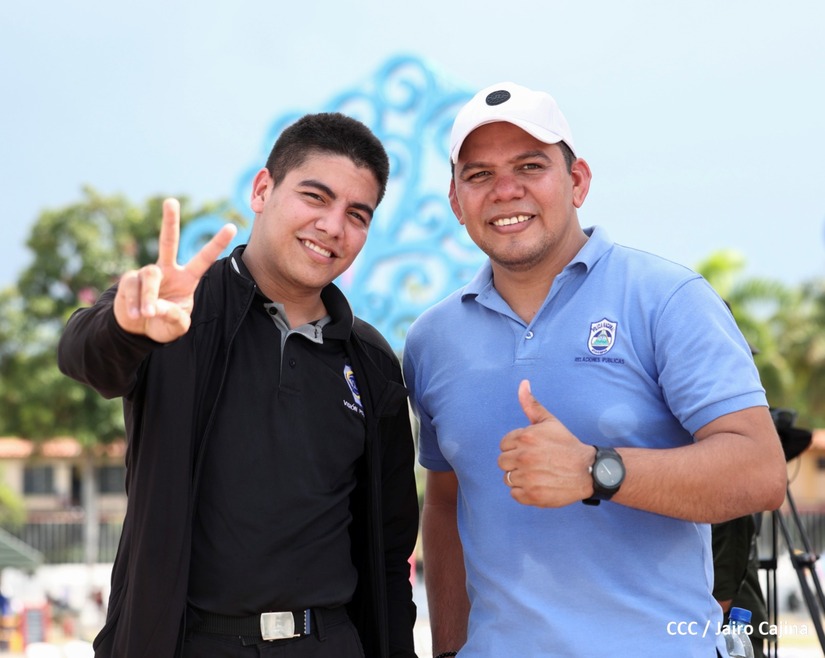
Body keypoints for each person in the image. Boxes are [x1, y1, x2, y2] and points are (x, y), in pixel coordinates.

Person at [402, 82, 788, 656]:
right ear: (456, 202)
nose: (505, 190)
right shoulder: (432, 339)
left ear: (578, 180)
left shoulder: (668, 298)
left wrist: (596, 470)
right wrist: (451, 648)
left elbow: (760, 472)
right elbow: (446, 499)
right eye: (479, 175)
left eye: (530, 166)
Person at [58, 112, 419, 658]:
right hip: (189, 643)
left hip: (329, 642)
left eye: (356, 214)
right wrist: (125, 326)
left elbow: (390, 548)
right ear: (262, 190)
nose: (332, 226)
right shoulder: (177, 311)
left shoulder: (370, 361)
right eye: (315, 197)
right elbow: (84, 357)